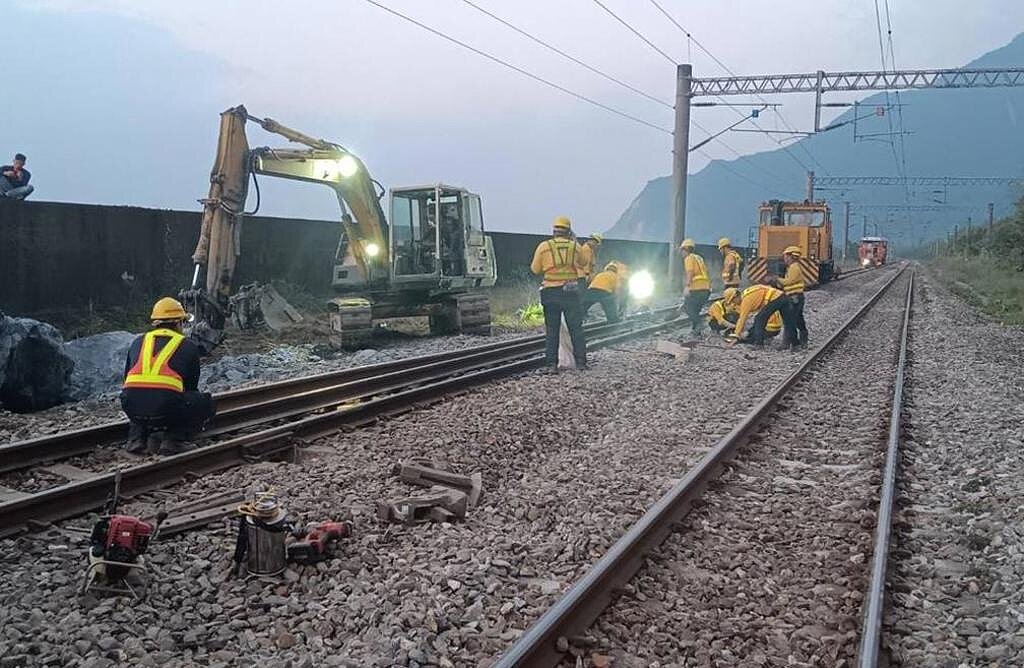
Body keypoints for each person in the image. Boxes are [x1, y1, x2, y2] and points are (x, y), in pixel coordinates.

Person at [121, 297, 216, 454]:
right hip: (166, 408)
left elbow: (127, 381)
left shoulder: (138, 341)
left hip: (131, 406)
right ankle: (173, 439)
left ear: (156, 322)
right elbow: (191, 387)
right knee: (203, 401)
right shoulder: (188, 345)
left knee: (139, 392)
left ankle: (136, 439)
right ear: (178, 323)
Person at [531, 216, 588, 370]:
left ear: (554, 231)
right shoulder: (575, 246)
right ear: (569, 231)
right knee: (576, 328)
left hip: (550, 293)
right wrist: (575, 242)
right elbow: (583, 263)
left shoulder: (544, 246)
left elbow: (535, 269)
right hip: (570, 293)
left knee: (552, 330)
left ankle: (551, 365)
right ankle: (581, 362)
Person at [726, 282, 795, 347]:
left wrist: (736, 335)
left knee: (759, 319)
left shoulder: (746, 300)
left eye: (733, 301)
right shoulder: (747, 294)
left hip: (775, 299)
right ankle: (795, 344)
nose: (733, 303)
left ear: (736, 296)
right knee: (788, 322)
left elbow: (742, 319)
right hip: (782, 296)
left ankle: (759, 344)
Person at [778, 246, 809, 348]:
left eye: (786, 256)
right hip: (795, 297)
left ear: (791, 256)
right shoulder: (792, 267)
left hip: (795, 298)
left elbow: (789, 281)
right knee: (798, 319)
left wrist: (776, 279)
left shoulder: (794, 267)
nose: (784, 258)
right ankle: (803, 339)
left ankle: (787, 343)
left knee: (789, 320)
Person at [680, 239, 710, 335]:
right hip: (706, 289)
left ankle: (699, 324)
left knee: (687, 307)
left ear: (686, 249)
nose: (681, 253)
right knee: (695, 310)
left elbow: (690, 272)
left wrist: (687, 286)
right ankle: (696, 331)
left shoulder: (689, 258)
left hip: (697, 288)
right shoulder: (699, 258)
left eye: (682, 250)